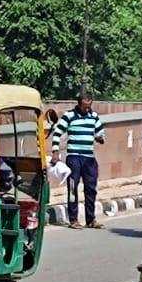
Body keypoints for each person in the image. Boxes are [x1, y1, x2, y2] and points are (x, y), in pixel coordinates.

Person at [51, 92, 106, 229]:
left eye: (89, 106)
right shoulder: (69, 116)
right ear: (79, 104)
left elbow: (100, 133)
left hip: (89, 159)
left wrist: (100, 138)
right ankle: (73, 219)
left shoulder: (94, 116)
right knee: (72, 188)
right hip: (74, 157)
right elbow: (57, 133)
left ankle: (90, 219)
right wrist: (55, 152)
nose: (87, 109)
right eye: (85, 106)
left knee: (91, 189)